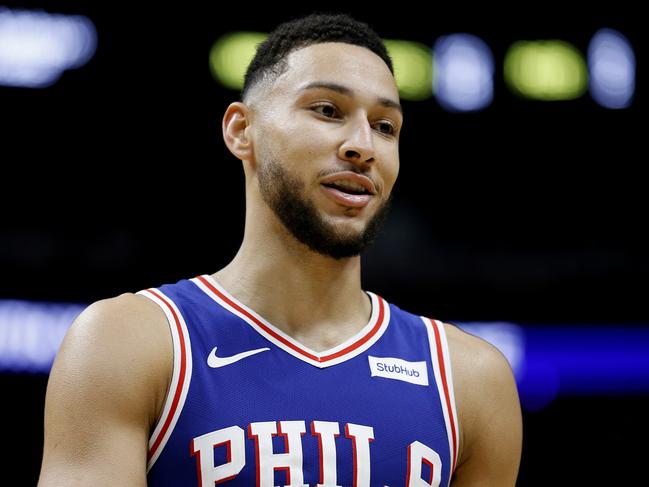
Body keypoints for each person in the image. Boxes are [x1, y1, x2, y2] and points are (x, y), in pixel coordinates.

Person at [38, 13, 522, 487]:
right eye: (327, 110)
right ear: (241, 130)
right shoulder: (131, 342)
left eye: (385, 126)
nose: (363, 145)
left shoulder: (469, 378)